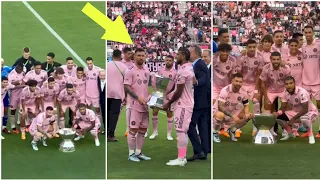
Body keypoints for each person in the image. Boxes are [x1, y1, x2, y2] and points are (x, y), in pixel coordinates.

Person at [163, 47, 195, 166]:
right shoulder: (188, 67)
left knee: (181, 131)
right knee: (182, 131)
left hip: (183, 104)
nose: (176, 57)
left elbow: (179, 91)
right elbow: (194, 82)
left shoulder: (183, 71)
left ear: (183, 56)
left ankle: (181, 159)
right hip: (186, 103)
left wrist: (168, 102)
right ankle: (182, 157)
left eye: (178, 55)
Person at [124, 48, 151, 162]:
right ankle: (131, 154)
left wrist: (150, 97)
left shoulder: (146, 69)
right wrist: (137, 97)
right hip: (134, 105)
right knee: (133, 130)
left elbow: (146, 88)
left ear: (145, 57)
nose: (141, 57)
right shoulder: (130, 70)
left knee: (143, 130)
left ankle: (139, 152)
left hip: (145, 106)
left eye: (142, 55)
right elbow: (126, 87)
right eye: (138, 55)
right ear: (134, 57)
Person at [275, 76, 317, 144]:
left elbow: (305, 109)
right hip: (296, 112)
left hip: (310, 112)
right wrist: (278, 113)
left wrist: (293, 119)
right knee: (278, 117)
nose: (289, 86)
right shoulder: (285, 93)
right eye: (287, 84)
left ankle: (310, 135)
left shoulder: (302, 93)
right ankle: (290, 134)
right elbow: (283, 106)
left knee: (304, 118)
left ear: (294, 83)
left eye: (291, 83)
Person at [213, 73, 253, 142]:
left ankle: (232, 130)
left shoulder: (243, 92)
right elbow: (220, 107)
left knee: (248, 116)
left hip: (231, 113)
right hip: (217, 113)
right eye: (236, 81)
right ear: (232, 81)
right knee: (220, 114)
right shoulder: (225, 90)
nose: (238, 83)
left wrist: (247, 113)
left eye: (240, 82)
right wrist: (232, 116)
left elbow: (246, 104)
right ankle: (214, 132)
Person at [187, 45, 210, 161]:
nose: (188, 55)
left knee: (190, 125)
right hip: (203, 101)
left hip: (199, 101)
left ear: (195, 53)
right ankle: (204, 151)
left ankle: (199, 150)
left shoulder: (199, 64)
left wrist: (196, 82)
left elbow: (204, 79)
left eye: (190, 53)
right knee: (202, 126)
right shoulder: (199, 64)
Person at [237, 39, 264, 136]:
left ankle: (255, 129)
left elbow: (258, 75)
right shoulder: (241, 57)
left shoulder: (260, 57)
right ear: (246, 47)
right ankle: (237, 129)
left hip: (253, 84)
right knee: (239, 104)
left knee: (257, 103)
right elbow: (239, 74)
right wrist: (239, 87)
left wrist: (256, 89)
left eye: (254, 47)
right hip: (243, 84)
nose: (252, 49)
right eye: (250, 47)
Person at [149, 55, 177, 141]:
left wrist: (171, 95)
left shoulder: (175, 73)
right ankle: (155, 132)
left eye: (170, 60)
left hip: (168, 96)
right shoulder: (160, 70)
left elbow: (176, 86)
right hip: (159, 93)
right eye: (167, 60)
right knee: (154, 111)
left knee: (169, 113)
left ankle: (169, 134)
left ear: (173, 62)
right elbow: (155, 81)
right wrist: (155, 90)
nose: (168, 62)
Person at [301, 26, 320, 138]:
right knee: (307, 107)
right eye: (306, 32)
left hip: (317, 81)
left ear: (313, 33)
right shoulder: (302, 47)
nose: (308, 34)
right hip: (305, 82)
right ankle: (309, 131)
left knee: (319, 106)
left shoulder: (318, 45)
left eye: (309, 32)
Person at [107, 50, 127, 141]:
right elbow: (126, 82)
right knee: (114, 114)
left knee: (107, 113)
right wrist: (126, 96)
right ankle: (111, 134)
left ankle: (106, 132)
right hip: (118, 94)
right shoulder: (124, 67)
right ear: (120, 56)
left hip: (107, 92)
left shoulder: (107, 65)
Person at [8, 64, 25, 134]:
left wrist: (22, 84)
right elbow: (10, 85)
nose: (21, 71)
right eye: (20, 70)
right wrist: (18, 83)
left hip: (21, 93)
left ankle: (18, 121)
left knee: (21, 108)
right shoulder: (11, 75)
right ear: (16, 69)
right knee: (13, 110)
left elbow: (24, 80)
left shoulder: (22, 72)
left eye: (21, 70)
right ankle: (12, 126)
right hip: (14, 94)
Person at [84, 57, 101, 124]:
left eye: (90, 63)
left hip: (96, 94)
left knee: (97, 109)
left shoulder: (98, 70)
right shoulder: (85, 69)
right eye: (88, 63)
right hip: (87, 93)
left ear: (93, 62)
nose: (89, 65)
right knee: (88, 109)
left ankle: (98, 123)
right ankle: (90, 122)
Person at [98, 69, 106, 134]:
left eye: (103, 75)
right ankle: (106, 129)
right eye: (101, 75)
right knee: (103, 115)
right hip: (102, 101)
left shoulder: (109, 81)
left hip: (108, 101)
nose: (102, 77)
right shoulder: (97, 81)